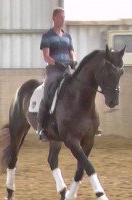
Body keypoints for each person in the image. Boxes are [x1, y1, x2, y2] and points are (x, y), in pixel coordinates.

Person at [37, 7, 76, 141]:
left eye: (64, 17)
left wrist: (73, 61)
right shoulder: (47, 36)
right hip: (54, 70)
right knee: (48, 90)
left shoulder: (67, 36)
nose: (63, 20)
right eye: (60, 17)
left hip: (66, 70)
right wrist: (56, 63)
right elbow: (46, 56)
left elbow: (71, 53)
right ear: (54, 18)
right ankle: (41, 127)